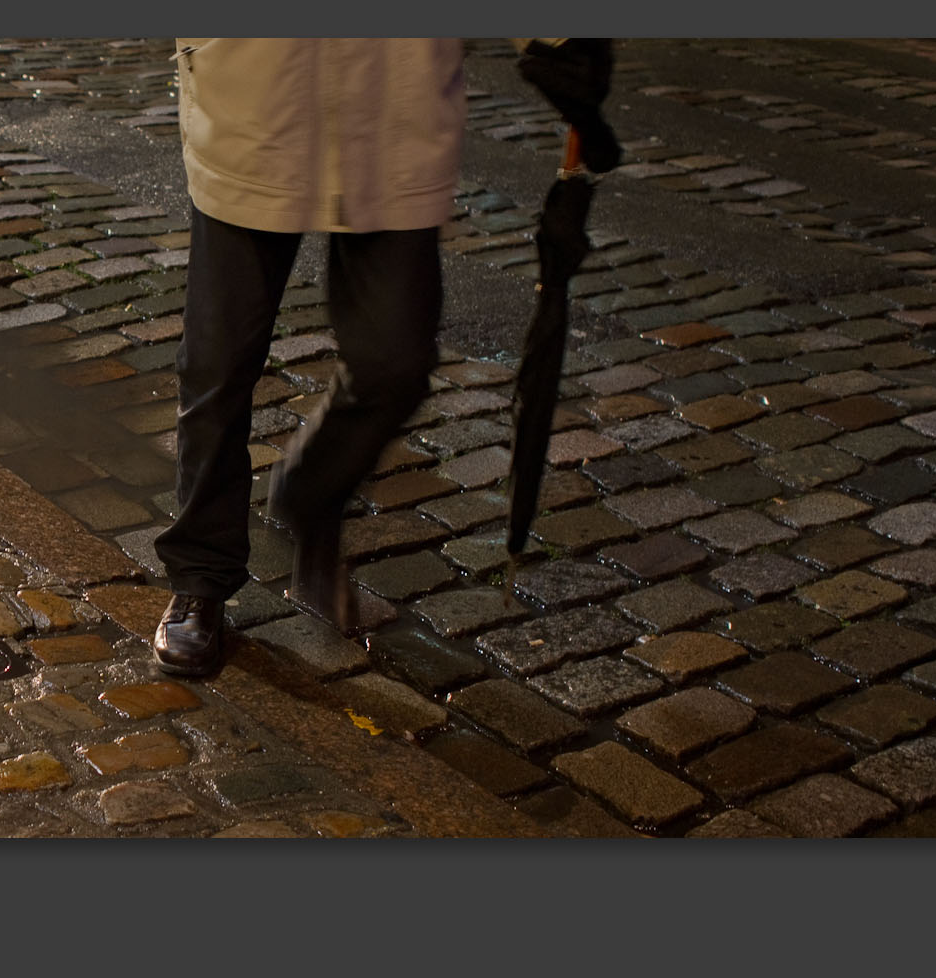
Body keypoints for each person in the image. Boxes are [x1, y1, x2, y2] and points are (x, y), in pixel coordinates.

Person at [151, 37, 614, 677]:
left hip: (393, 104)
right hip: (255, 92)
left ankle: (310, 492)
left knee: (394, 358)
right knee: (219, 363)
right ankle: (200, 575)